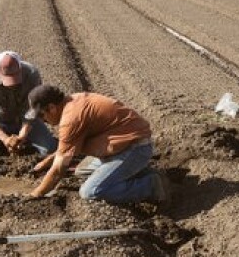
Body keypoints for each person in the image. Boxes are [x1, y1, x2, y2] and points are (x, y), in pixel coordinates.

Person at [27, 84, 169, 204]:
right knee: (81, 170)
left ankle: (150, 186)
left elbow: (58, 170)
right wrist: (47, 162)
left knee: (90, 191)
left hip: (135, 148)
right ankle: (139, 172)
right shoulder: (72, 102)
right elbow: (65, 147)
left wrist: (35, 194)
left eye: (41, 115)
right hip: (122, 146)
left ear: (52, 108)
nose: (42, 120)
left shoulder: (70, 120)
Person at [0, 51, 58, 158]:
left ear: (20, 68)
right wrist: (5, 139)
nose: (12, 85)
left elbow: (34, 108)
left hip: (28, 121)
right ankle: (4, 142)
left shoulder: (32, 74)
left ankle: (27, 140)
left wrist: (23, 134)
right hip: (1, 121)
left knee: (50, 150)